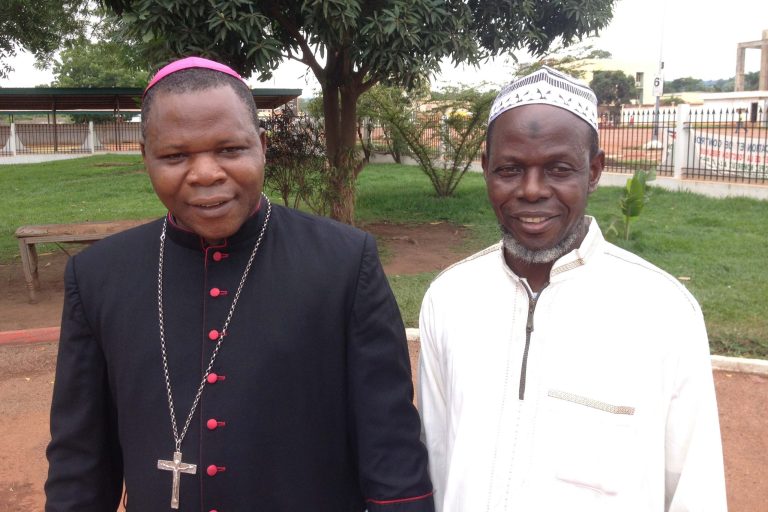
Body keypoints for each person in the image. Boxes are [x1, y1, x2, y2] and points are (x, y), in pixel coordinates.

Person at [45, 57, 434, 512]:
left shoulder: (345, 262)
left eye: (230, 149)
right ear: (145, 157)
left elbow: (390, 446)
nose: (206, 173)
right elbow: (80, 462)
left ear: (262, 146)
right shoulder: (98, 275)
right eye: (175, 156)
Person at [418, 66, 726, 511]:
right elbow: (438, 459)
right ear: (485, 169)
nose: (531, 190)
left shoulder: (664, 312)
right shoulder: (449, 299)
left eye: (559, 169)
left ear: (594, 171)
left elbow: (696, 487)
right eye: (510, 169)